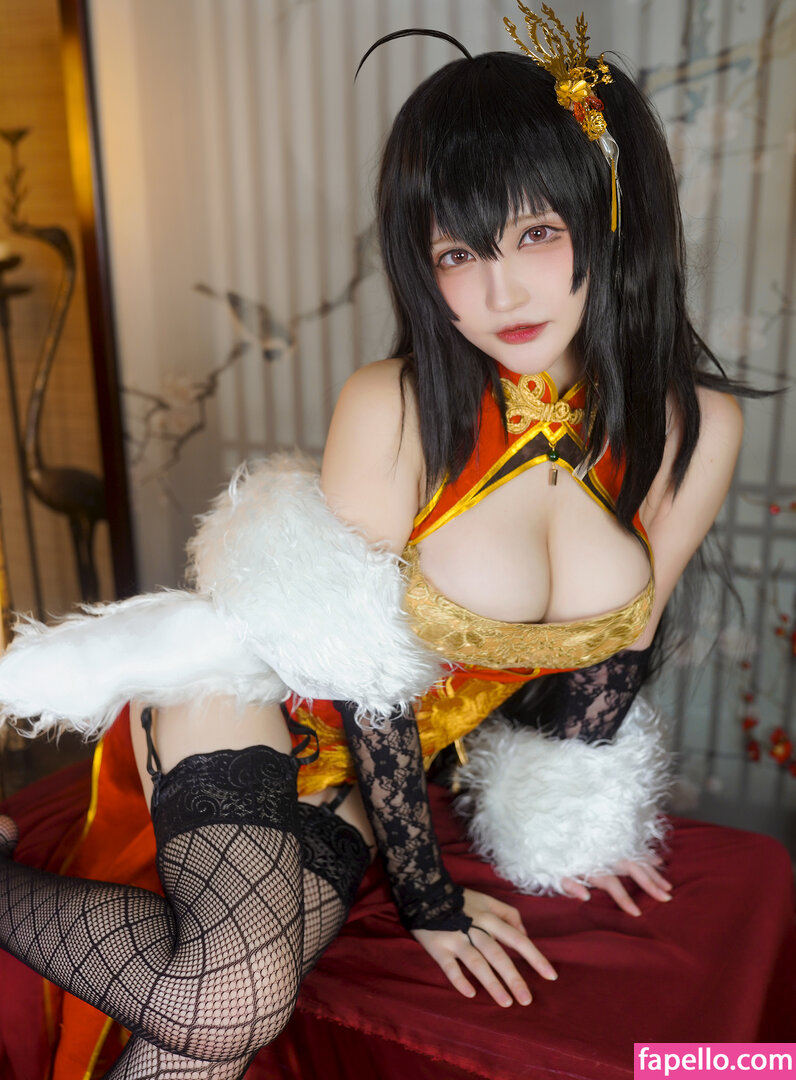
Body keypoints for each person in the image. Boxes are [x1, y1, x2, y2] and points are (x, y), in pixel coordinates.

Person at [0, 6, 762, 1077]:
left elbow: (619, 648)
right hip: (251, 697)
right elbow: (359, 679)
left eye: (536, 234)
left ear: (611, 221)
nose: (500, 292)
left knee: (204, 1033)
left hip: (368, 775)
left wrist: (579, 825)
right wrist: (428, 897)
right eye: (458, 252)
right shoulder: (393, 405)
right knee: (225, 1001)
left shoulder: (695, 427)